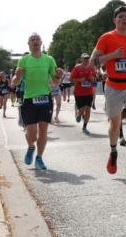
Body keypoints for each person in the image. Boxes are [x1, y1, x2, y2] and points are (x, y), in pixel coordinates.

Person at [89, 6, 126, 178]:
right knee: (115, 124)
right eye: (120, 17)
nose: (124, 19)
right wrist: (112, 55)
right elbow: (93, 62)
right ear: (115, 20)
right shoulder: (107, 37)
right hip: (113, 85)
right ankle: (113, 152)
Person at [11, 33, 65, 171]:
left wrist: (59, 76)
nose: (35, 41)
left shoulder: (49, 60)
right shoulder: (24, 60)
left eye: (37, 39)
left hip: (45, 98)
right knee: (31, 132)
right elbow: (14, 83)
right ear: (28, 44)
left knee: (43, 129)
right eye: (32, 40)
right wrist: (17, 77)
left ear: (41, 43)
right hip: (29, 99)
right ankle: (30, 147)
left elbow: (55, 82)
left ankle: (39, 158)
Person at [71, 54, 97, 134]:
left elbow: (95, 80)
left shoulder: (92, 68)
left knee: (88, 109)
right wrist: (79, 80)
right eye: (85, 58)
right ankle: (79, 114)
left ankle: (84, 127)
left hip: (89, 92)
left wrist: (93, 79)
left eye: (87, 58)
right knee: (81, 110)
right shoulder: (77, 68)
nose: (86, 60)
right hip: (79, 93)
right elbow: (71, 79)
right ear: (81, 59)